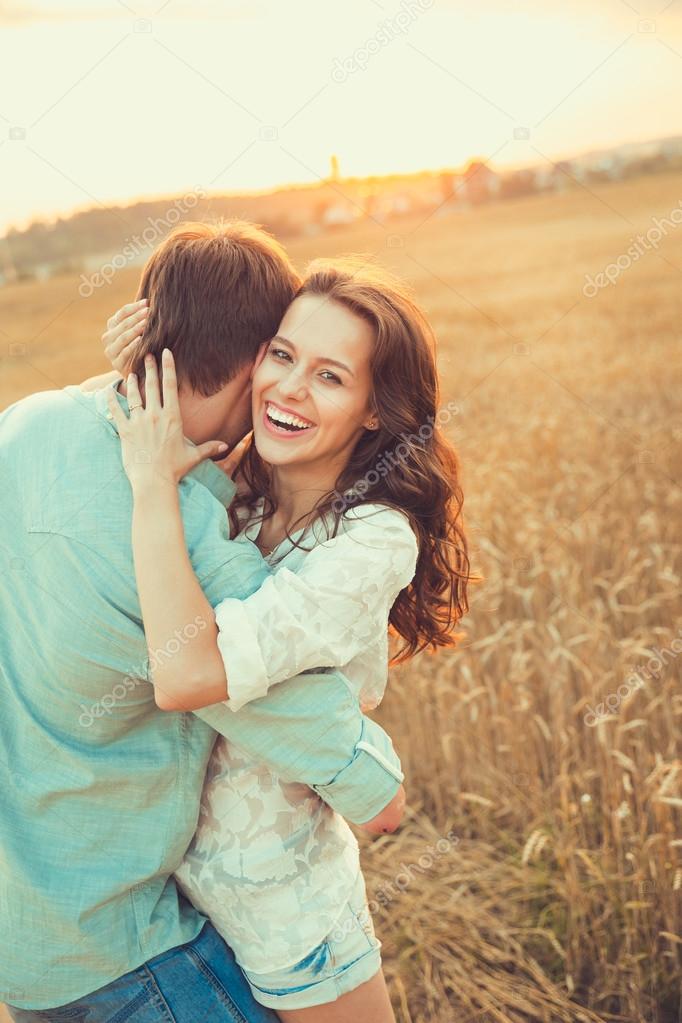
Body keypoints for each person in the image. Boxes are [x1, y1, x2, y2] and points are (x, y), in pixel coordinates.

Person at [0, 223, 405, 1023]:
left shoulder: (27, 424)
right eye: (282, 358)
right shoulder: (191, 548)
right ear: (256, 363)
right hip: (121, 954)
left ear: (151, 332)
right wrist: (377, 776)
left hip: (22, 948)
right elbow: (368, 788)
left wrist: (131, 367)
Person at [102, 257, 471, 1020]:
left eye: (330, 376)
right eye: (281, 354)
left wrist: (151, 488)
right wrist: (140, 367)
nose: (289, 389)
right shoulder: (234, 483)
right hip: (174, 917)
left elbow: (187, 672)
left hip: (292, 921)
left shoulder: (373, 539)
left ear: (375, 409)